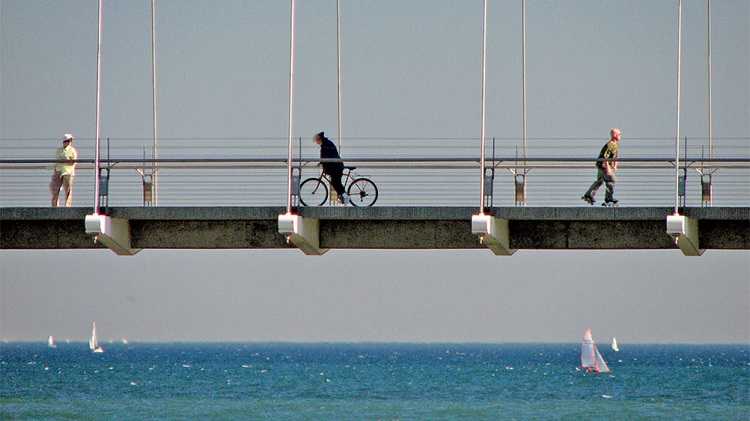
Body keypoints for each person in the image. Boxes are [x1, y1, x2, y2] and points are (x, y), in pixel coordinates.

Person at [582, 128, 621, 205]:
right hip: (603, 165)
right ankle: (608, 197)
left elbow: (615, 157)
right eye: (619, 134)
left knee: (600, 180)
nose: (620, 136)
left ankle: (588, 195)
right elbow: (604, 157)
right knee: (611, 180)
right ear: (614, 135)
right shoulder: (609, 145)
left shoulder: (616, 145)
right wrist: (608, 168)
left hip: (605, 165)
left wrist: (615, 165)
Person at [313, 131, 351, 205]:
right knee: (336, 182)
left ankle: (345, 196)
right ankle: (343, 196)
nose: (317, 143)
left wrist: (322, 162)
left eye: (317, 141)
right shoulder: (327, 144)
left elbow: (326, 156)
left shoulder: (325, 146)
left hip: (336, 167)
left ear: (319, 140)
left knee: (336, 182)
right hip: (336, 166)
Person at [50, 133, 78, 207]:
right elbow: (58, 159)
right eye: (66, 141)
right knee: (55, 188)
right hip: (59, 170)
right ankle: (54, 204)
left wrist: (66, 160)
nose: (68, 143)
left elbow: (73, 161)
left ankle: (67, 205)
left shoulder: (72, 150)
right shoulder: (59, 150)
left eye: (69, 141)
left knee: (68, 189)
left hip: (68, 172)